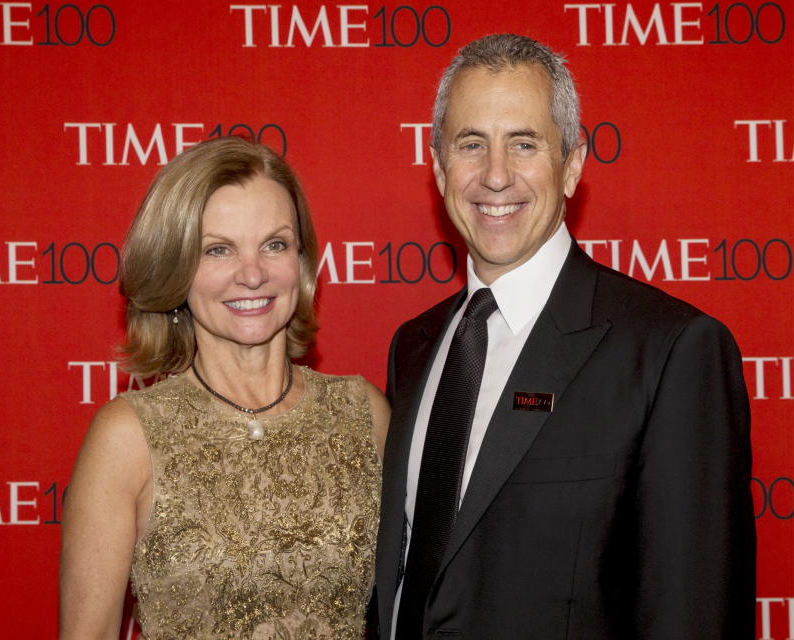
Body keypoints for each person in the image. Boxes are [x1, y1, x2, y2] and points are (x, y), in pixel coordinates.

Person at [375, 34, 755, 639]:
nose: (495, 176)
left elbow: (695, 612)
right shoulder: (414, 347)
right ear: (440, 166)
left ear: (572, 164)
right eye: (471, 144)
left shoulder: (671, 350)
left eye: (524, 144)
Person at [59, 136, 389, 639]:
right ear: (177, 270)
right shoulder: (129, 436)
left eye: (274, 244)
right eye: (218, 250)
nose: (252, 274)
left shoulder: (363, 413)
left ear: (301, 263)